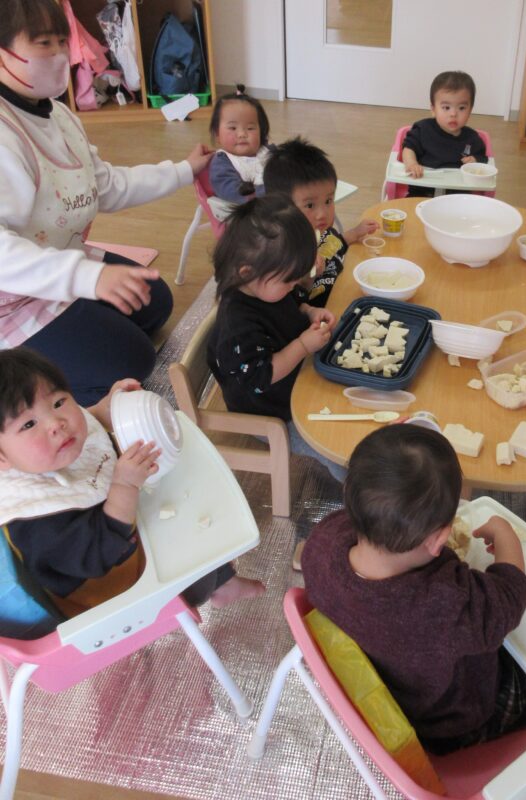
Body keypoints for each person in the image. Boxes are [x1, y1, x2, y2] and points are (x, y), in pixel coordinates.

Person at [0, 0, 213, 407]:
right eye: (43, 43)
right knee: (135, 358)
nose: (60, 54)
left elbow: (105, 186)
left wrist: (184, 170)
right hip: (14, 301)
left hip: (62, 261)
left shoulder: (59, 116)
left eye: (63, 40)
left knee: (155, 302)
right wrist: (88, 277)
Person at [302, 424, 526, 755]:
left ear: (349, 497)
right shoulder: (446, 604)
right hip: (447, 725)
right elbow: (511, 597)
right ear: (438, 540)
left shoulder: (321, 543)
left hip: (388, 689)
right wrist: (506, 535)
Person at [0, 348, 264, 622]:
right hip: (110, 588)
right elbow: (99, 554)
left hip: (122, 526)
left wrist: (104, 410)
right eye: (29, 424)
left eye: (58, 402)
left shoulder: (44, 449)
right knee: (192, 548)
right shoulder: (36, 519)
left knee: (188, 510)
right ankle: (211, 586)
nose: (56, 423)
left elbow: (87, 423)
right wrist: (124, 485)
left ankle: (222, 581)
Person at [206, 194, 346, 482]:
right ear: (247, 272)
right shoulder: (237, 324)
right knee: (337, 452)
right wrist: (303, 345)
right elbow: (261, 375)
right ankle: (359, 498)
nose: (296, 285)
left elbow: (292, 301)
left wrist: (308, 310)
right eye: (290, 280)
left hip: (295, 381)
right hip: (270, 412)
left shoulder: (265, 285)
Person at [263, 137, 377, 308]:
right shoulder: (284, 256)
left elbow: (332, 244)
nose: (323, 214)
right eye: (310, 205)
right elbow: (288, 311)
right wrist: (305, 280)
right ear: (282, 208)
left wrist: (354, 233)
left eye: (329, 201)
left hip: (342, 289)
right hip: (321, 313)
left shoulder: (320, 231)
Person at [401, 70, 488, 198]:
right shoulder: (423, 129)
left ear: (470, 110)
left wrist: (474, 160)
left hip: (457, 196)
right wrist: (412, 163)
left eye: (462, 108)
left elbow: (483, 159)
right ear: (433, 109)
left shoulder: (473, 139)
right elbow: (408, 148)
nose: (453, 114)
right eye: (446, 108)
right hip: (421, 192)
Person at [208, 84, 273, 204]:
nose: (242, 134)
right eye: (233, 128)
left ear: (261, 131)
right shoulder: (222, 163)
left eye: (250, 128)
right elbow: (232, 193)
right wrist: (275, 191)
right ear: (218, 134)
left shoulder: (269, 152)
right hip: (248, 216)